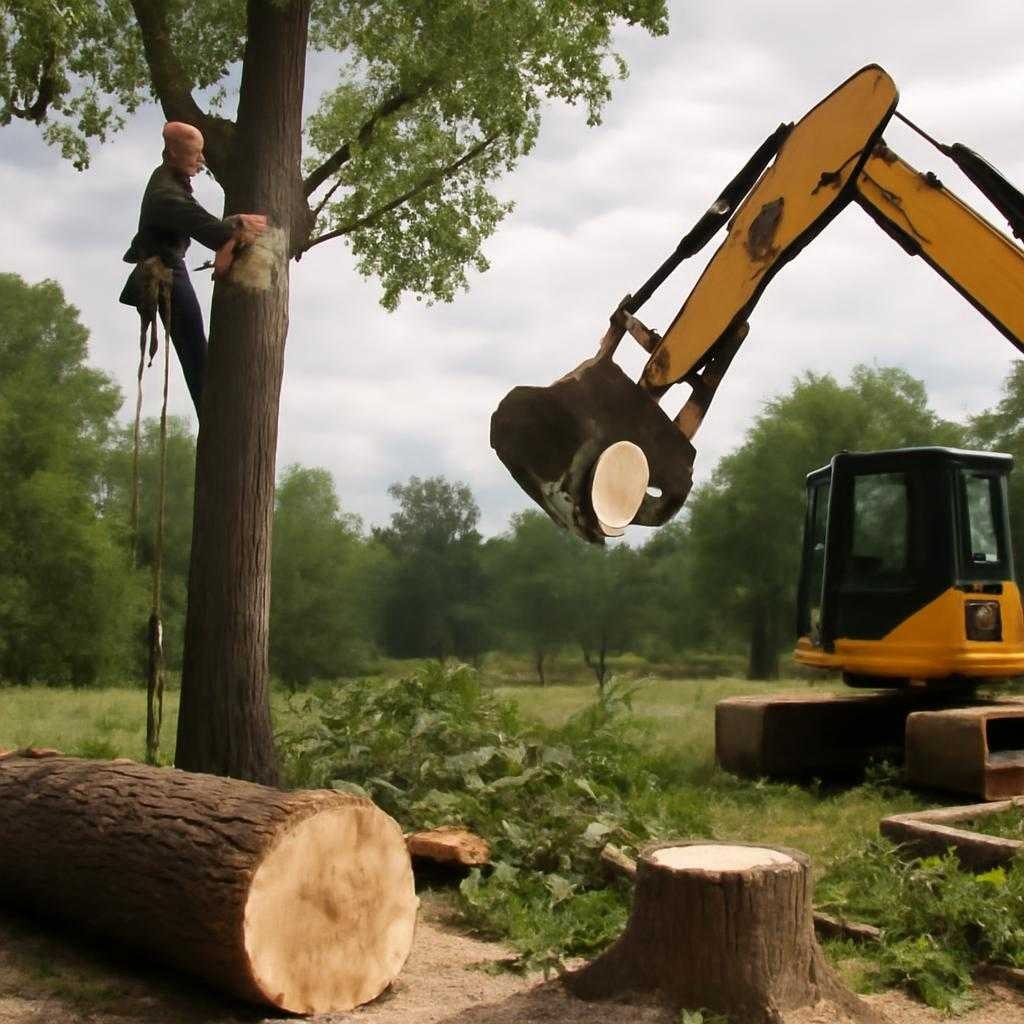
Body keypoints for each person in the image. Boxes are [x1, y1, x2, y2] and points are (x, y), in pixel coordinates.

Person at [119, 121, 267, 416]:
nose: (201, 160)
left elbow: (202, 221)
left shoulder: (170, 179)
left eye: (201, 153)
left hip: (171, 267)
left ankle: (211, 411)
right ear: (172, 153)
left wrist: (231, 225)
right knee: (195, 351)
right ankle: (213, 416)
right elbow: (204, 226)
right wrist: (236, 228)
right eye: (194, 154)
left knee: (196, 349)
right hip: (164, 273)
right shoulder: (166, 194)